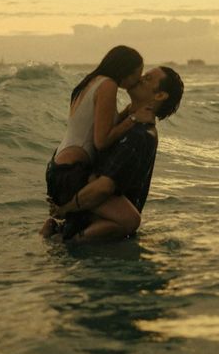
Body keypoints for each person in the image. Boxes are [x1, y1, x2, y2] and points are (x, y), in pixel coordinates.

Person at [50, 66, 184, 242]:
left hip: (94, 232)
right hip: (91, 225)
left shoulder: (139, 135)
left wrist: (65, 208)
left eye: (148, 78)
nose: (141, 78)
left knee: (130, 220)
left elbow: (104, 187)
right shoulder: (128, 126)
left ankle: (67, 238)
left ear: (159, 95)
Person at [41, 45, 154, 237]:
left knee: (103, 215)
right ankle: (65, 241)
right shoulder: (108, 85)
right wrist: (133, 120)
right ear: (125, 70)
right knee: (129, 220)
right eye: (138, 73)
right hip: (71, 174)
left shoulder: (91, 82)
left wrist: (129, 111)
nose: (139, 80)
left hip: (59, 169)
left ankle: (54, 228)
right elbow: (101, 141)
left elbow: (102, 124)